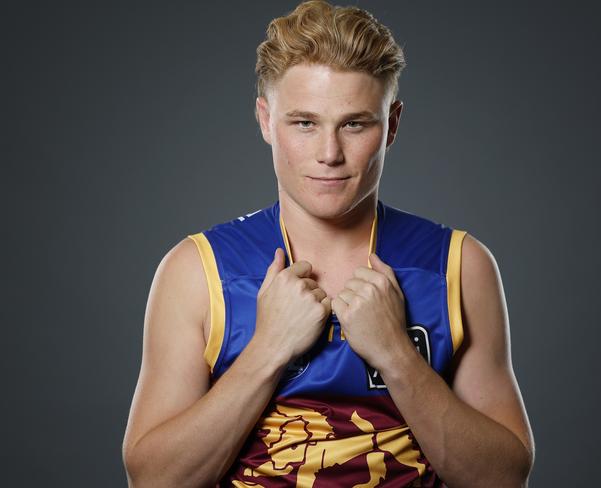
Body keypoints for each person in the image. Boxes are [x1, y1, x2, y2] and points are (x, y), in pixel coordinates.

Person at [122, 1, 535, 486]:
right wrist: (267, 351)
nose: (329, 153)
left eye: (355, 123)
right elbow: (151, 480)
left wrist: (398, 357)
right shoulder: (196, 270)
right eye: (304, 123)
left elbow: (505, 478)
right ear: (264, 120)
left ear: (393, 124)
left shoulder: (461, 266)